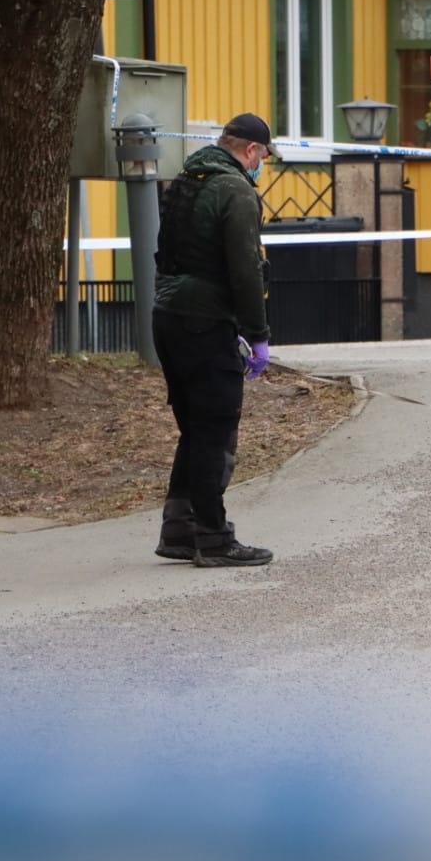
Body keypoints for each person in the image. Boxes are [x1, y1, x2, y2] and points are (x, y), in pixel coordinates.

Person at [151, 113, 278, 567]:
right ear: (251, 150)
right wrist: (257, 334)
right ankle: (213, 537)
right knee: (216, 429)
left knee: (195, 427)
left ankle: (179, 527)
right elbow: (246, 269)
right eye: (263, 157)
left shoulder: (187, 180)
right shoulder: (236, 191)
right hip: (205, 322)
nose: (261, 166)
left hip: (168, 317)